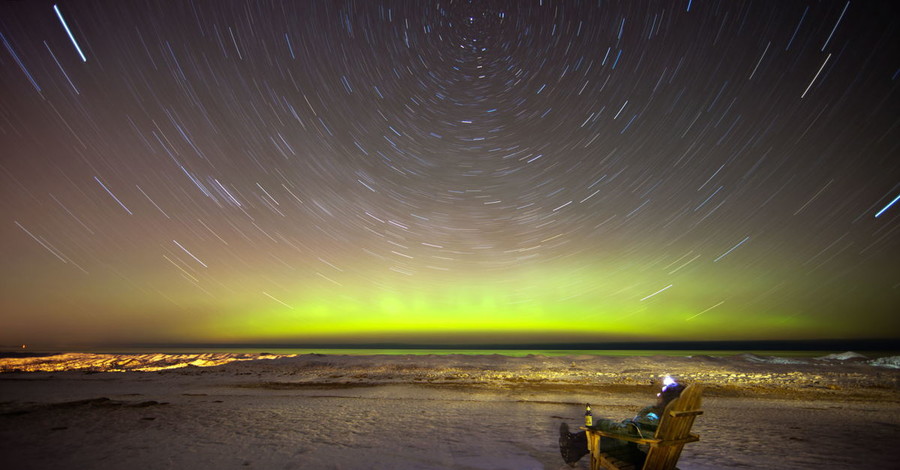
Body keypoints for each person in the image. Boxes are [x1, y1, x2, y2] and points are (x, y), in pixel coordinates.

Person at [558, 376, 686, 467]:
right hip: (659, 455)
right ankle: (572, 445)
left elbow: (631, 430)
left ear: (667, 400)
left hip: (640, 455)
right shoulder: (675, 416)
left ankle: (571, 444)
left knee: (598, 434)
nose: (658, 395)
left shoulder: (654, 417)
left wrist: (603, 423)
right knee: (599, 434)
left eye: (661, 394)